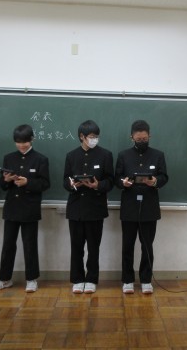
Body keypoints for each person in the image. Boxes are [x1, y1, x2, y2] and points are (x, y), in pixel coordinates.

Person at [0, 124, 50, 293]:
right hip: (12, 207)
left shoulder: (40, 159)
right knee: (8, 244)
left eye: (24, 141)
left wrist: (28, 182)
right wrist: (6, 180)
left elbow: (45, 184)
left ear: (32, 139)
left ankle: (31, 279)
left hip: (30, 208)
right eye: (18, 142)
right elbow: (3, 185)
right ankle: (4, 278)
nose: (21, 145)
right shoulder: (9, 158)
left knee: (30, 245)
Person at [114, 119, 168, 294]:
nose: (142, 141)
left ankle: (146, 280)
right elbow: (116, 178)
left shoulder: (158, 155)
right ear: (132, 138)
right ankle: (127, 280)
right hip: (129, 206)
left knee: (147, 246)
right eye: (138, 139)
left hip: (149, 207)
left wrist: (155, 181)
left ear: (149, 136)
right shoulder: (123, 155)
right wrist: (123, 182)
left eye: (144, 139)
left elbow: (164, 177)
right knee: (127, 246)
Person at [63, 120, 114, 294]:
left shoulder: (105, 155)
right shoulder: (71, 155)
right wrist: (72, 184)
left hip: (95, 208)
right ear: (82, 137)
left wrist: (98, 185)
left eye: (96, 136)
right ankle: (77, 279)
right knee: (76, 247)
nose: (94, 139)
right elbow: (65, 180)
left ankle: (91, 279)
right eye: (91, 136)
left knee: (93, 247)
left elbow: (110, 181)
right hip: (75, 208)